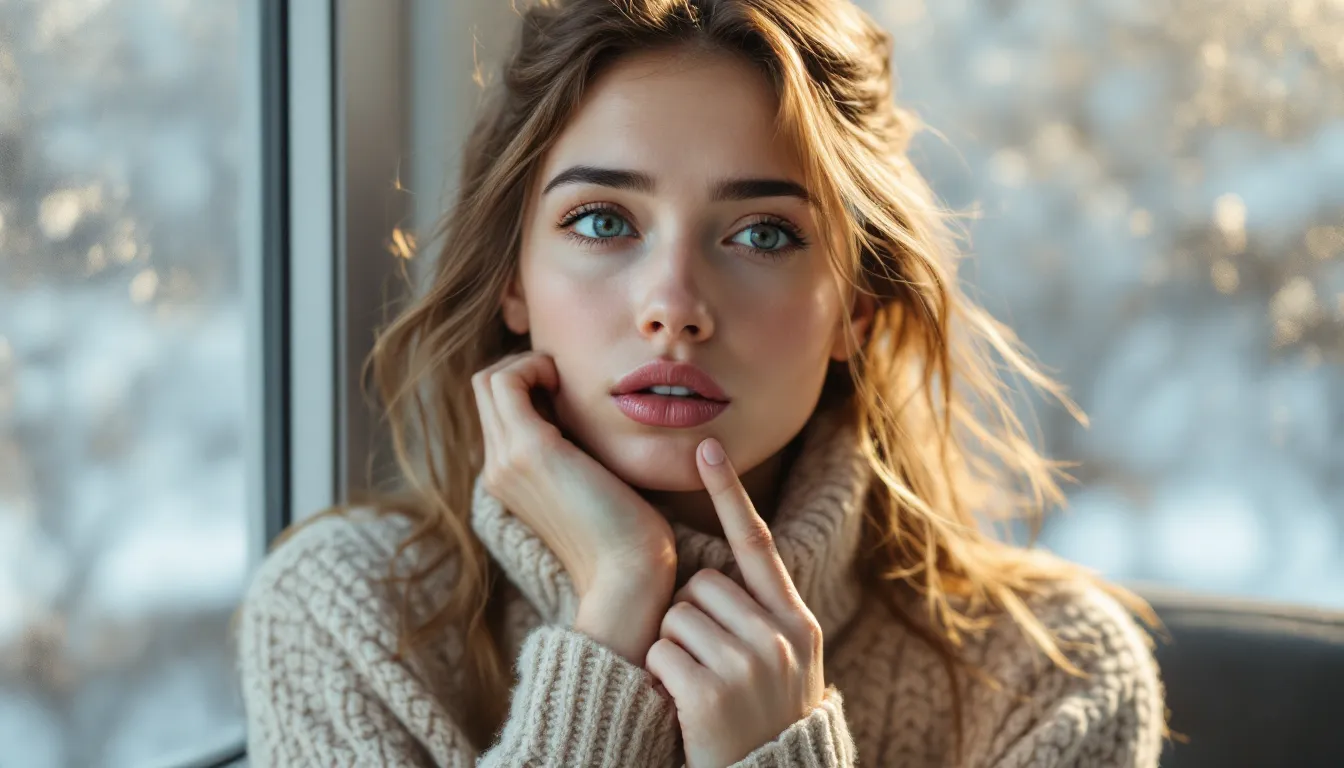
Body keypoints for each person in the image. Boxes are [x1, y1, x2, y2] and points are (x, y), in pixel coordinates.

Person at [237, 0, 1167, 765]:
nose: (673, 306)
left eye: (763, 233)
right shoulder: (348, 613)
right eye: (603, 221)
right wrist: (613, 609)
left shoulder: (1055, 675)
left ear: (857, 306)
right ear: (512, 278)